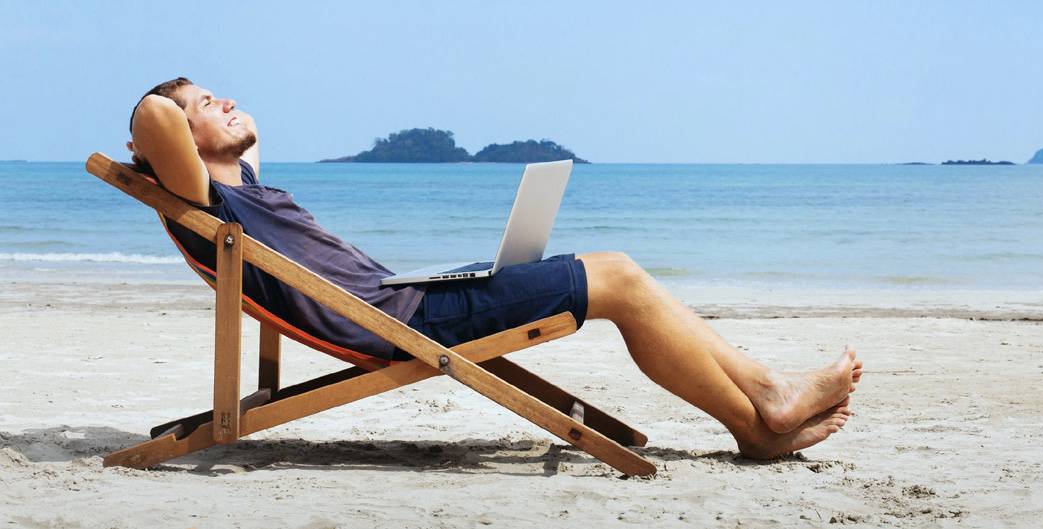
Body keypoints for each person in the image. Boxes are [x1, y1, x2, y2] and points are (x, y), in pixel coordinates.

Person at [127, 77, 863, 459]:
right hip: (405, 320)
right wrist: (163, 114)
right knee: (619, 276)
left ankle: (762, 409)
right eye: (202, 102)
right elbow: (158, 123)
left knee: (611, 271)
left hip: (407, 299)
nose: (224, 102)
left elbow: (246, 132)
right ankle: (763, 404)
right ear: (173, 143)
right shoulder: (206, 197)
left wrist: (209, 112)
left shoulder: (244, 183)